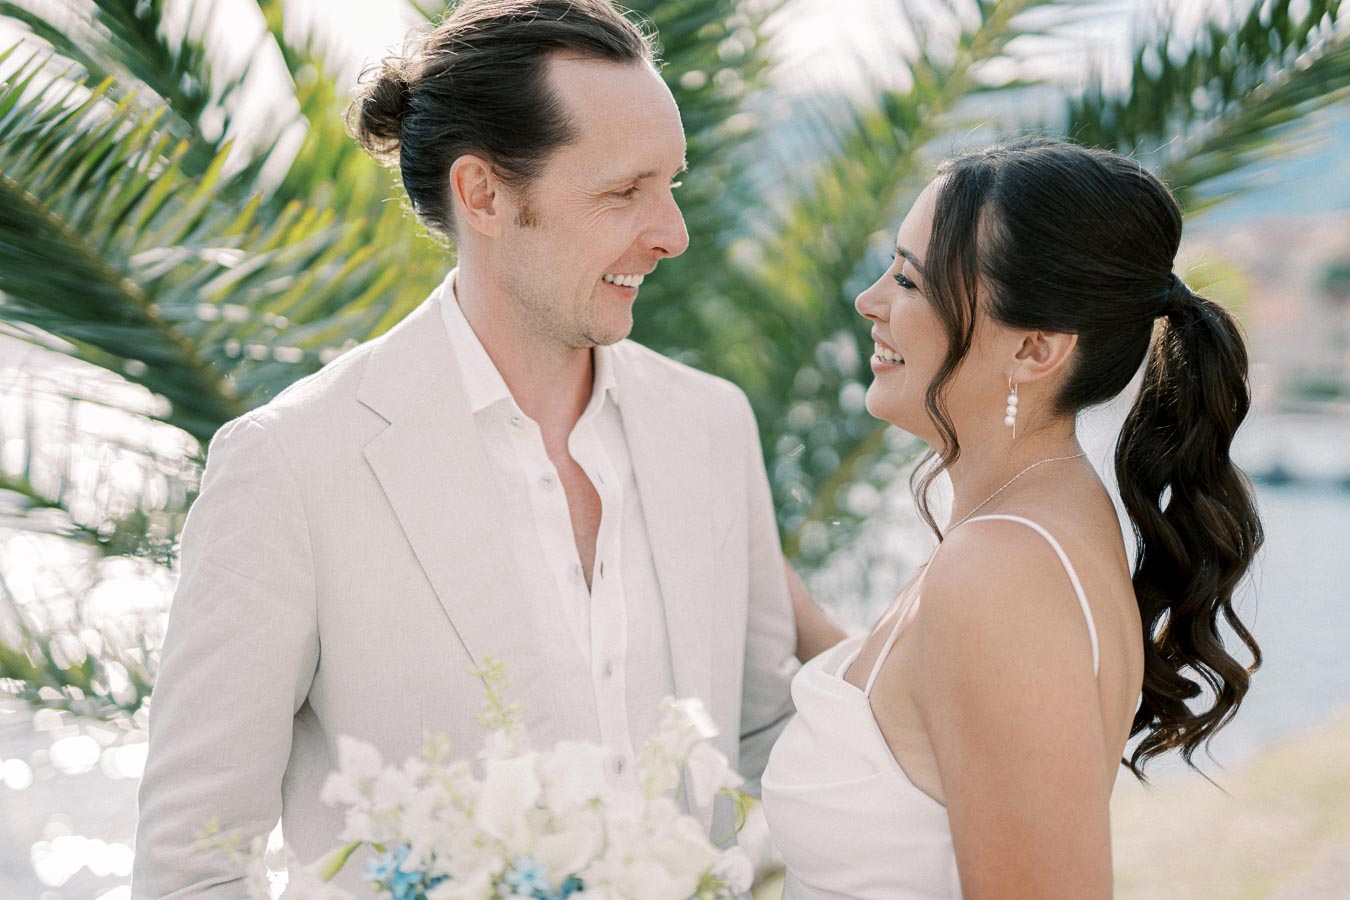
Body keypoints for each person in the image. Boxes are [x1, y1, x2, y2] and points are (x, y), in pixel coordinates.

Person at [132, 2, 799, 896]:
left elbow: (764, 754)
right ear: (483, 193)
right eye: (622, 192)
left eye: (671, 183)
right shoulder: (290, 465)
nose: (671, 232)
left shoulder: (713, 427)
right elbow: (194, 858)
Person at [761, 138, 1263, 899]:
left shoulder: (1000, 571)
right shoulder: (1026, 523)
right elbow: (914, 726)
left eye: (907, 279)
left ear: (1033, 349)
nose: (870, 301)